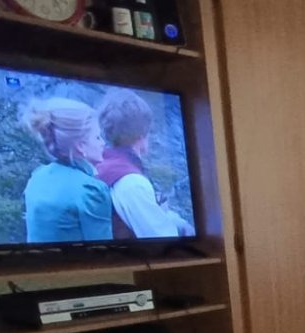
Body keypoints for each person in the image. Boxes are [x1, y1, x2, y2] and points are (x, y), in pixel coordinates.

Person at [94, 89, 195, 240]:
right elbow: (163, 237)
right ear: (143, 135)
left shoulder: (101, 165)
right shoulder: (132, 182)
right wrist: (183, 229)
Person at [19, 98, 112, 244]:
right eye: (97, 137)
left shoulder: (37, 177)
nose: (103, 143)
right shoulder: (90, 190)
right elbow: (103, 249)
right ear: (80, 146)